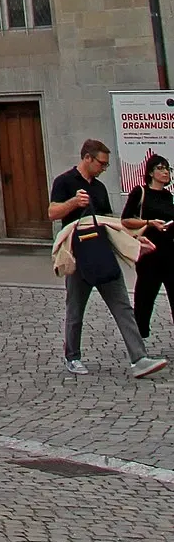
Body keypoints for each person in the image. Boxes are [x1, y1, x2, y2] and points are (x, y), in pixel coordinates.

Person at [48, 138, 167, 377]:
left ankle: (139, 359)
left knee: (122, 305)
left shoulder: (100, 188)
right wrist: (73, 202)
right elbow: (52, 213)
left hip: (103, 251)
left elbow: (110, 222)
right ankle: (73, 357)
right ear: (87, 158)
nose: (104, 168)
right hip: (79, 254)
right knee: (75, 309)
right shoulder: (64, 181)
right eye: (101, 163)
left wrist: (134, 239)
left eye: (106, 164)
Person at [122, 153, 174, 345]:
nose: (165, 172)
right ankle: (138, 341)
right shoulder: (140, 192)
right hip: (149, 253)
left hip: (170, 252)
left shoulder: (168, 196)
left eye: (168, 168)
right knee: (145, 298)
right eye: (160, 168)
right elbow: (126, 220)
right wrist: (150, 222)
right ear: (151, 172)